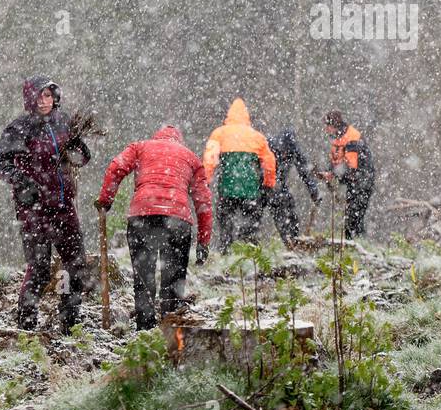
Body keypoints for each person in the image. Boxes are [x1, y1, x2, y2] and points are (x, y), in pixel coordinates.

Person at [0, 76, 91, 334]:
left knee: (75, 262)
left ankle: (69, 320)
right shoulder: (20, 128)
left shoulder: (63, 122)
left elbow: (75, 154)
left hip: (64, 205)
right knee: (40, 268)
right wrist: (23, 184)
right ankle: (26, 324)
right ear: (30, 99)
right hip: (34, 210)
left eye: (48, 95)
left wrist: (80, 149)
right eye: (39, 96)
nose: (45, 101)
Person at [95, 125, 213, 330]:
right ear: (179, 141)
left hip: (143, 215)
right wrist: (204, 241)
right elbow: (203, 202)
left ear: (156, 137)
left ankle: (145, 330)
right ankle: (171, 329)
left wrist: (106, 199)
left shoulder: (141, 147)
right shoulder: (191, 158)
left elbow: (116, 167)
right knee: (173, 279)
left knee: (144, 277)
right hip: (177, 220)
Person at [203, 98, 277, 253]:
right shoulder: (257, 136)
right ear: (247, 116)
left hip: (227, 188)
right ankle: (250, 255)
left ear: (228, 115)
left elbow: (209, 160)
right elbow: (269, 163)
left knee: (225, 222)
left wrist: (206, 181)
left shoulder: (219, 133)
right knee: (251, 223)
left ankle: (225, 250)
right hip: (251, 189)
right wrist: (268, 185)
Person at [319, 111, 375, 239]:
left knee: (354, 218)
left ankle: (360, 247)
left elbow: (351, 166)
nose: (325, 129)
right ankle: (354, 246)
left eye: (326, 126)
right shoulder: (338, 138)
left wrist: (333, 174)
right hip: (354, 183)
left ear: (333, 125)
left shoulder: (352, 138)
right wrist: (329, 172)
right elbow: (336, 162)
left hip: (362, 182)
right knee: (351, 219)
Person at [262, 128, 323, 242]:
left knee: (289, 213)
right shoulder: (268, 146)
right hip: (262, 184)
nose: (285, 154)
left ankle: (292, 242)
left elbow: (305, 173)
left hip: (279, 185)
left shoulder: (294, 151)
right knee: (254, 214)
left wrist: (314, 191)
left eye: (288, 152)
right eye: (283, 151)